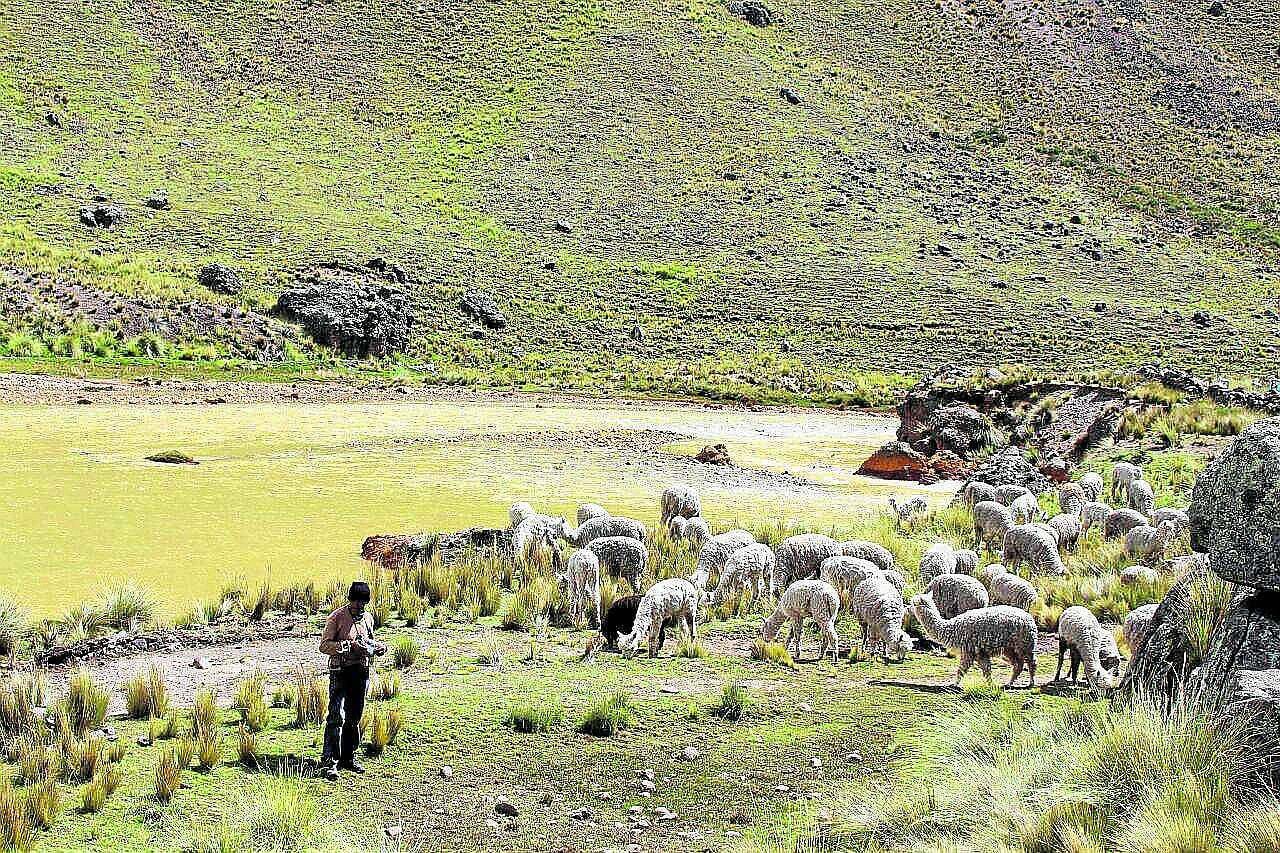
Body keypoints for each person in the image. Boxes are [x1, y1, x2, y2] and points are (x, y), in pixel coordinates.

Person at [318, 580, 386, 780]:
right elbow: (324, 646)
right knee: (336, 716)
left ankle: (348, 757)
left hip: (360, 672)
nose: (359, 607)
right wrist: (348, 647)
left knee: (354, 716)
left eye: (363, 603)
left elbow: (370, 641)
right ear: (350, 600)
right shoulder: (336, 618)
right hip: (340, 672)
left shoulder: (368, 618)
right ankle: (329, 762)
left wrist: (378, 648)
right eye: (356, 602)